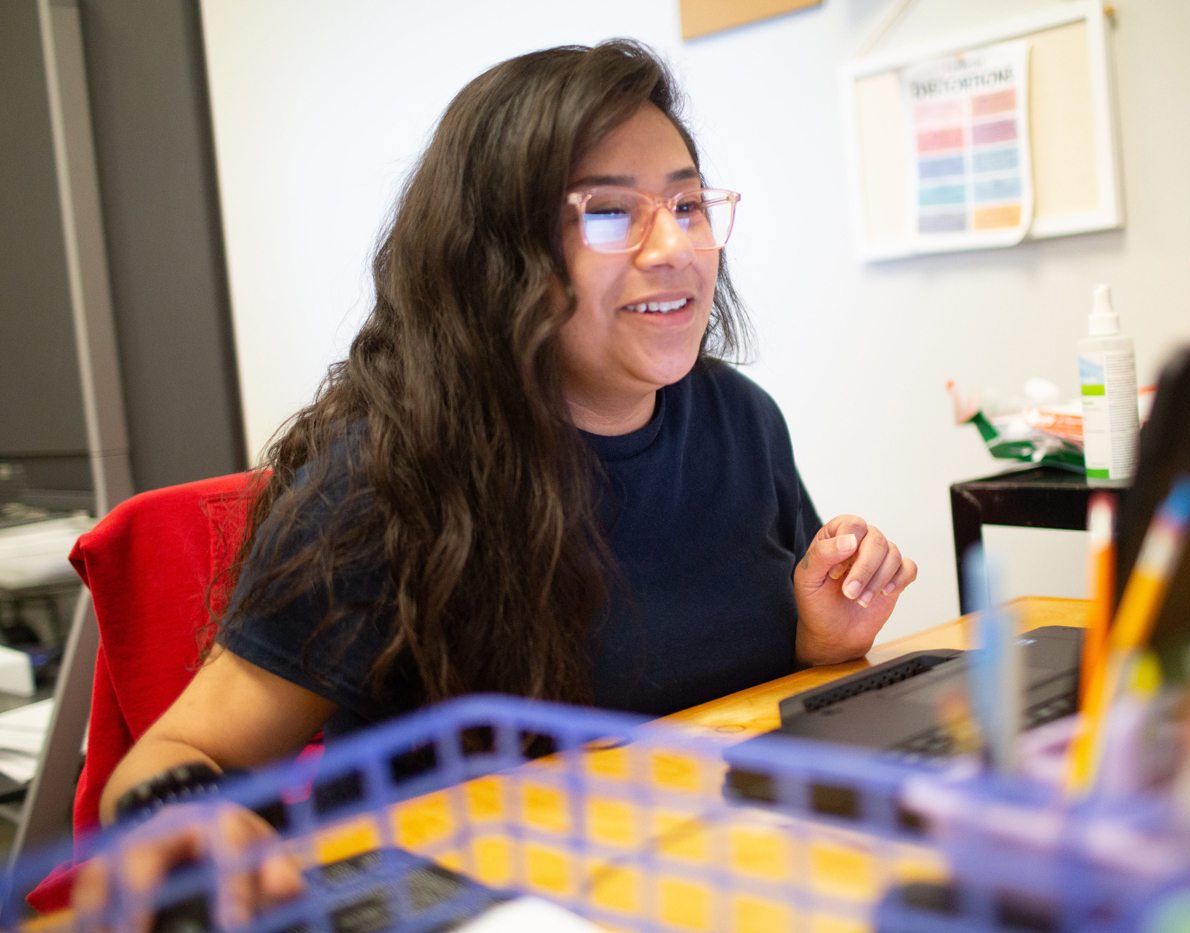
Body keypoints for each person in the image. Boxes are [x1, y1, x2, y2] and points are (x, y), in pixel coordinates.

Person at [74, 37, 916, 916]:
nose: (676, 247)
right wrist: (181, 819)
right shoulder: (386, 475)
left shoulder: (741, 418)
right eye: (608, 213)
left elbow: (714, 692)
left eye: (688, 203)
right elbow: (184, 752)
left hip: (707, 873)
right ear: (496, 255)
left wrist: (821, 640)